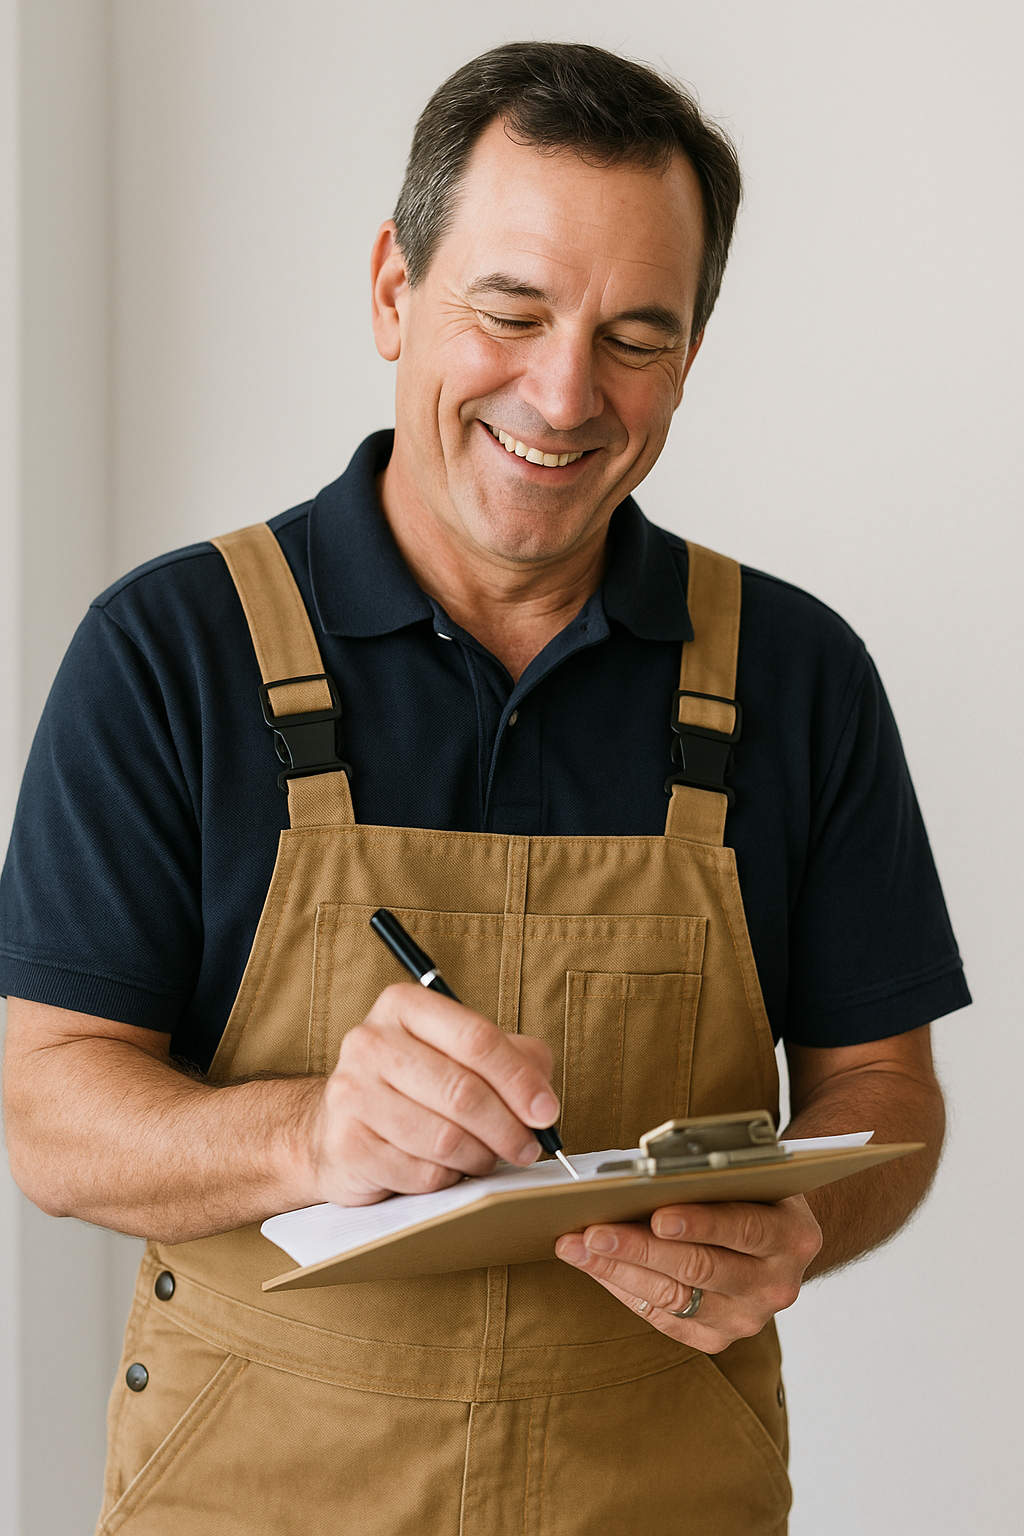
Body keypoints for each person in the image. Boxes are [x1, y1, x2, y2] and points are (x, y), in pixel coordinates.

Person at [1, 40, 967, 1536]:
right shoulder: (170, 649)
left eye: (635, 336)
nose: (564, 393)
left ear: (690, 356)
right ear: (395, 288)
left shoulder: (799, 674)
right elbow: (48, 1112)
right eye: (511, 312)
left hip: (662, 1498)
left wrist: (799, 1226)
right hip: (255, 1497)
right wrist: (308, 1136)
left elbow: (886, 1091)